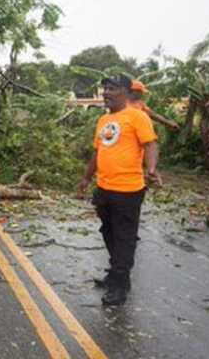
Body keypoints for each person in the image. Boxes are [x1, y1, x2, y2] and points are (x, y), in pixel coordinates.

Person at [77, 75, 161, 306]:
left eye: (112, 88)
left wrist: (151, 169)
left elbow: (150, 144)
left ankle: (120, 285)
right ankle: (116, 273)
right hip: (104, 188)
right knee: (108, 232)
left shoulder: (137, 116)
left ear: (125, 91)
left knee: (124, 237)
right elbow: (97, 152)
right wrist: (86, 178)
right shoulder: (103, 120)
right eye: (105, 88)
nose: (106, 92)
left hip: (128, 190)